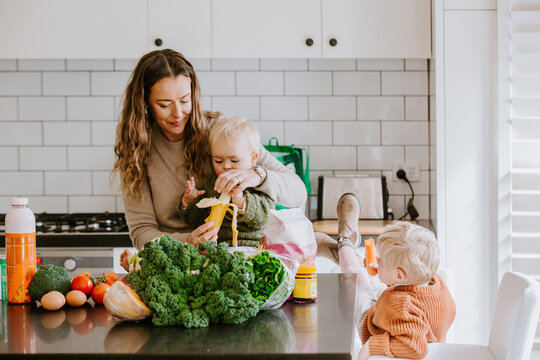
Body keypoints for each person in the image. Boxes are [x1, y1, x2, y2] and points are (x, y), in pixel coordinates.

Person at [112, 49, 306, 255]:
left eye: (185, 101)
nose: (178, 113)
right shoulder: (137, 150)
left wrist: (257, 175)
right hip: (174, 261)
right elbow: (142, 232)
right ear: (145, 102)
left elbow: (298, 193)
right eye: (164, 104)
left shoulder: (220, 133)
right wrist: (187, 241)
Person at [334, 195, 456, 360]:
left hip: (374, 323)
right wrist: (385, 270)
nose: (376, 260)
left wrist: (372, 346)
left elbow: (416, 348)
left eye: (381, 259)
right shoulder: (437, 284)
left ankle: (344, 240)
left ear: (399, 274)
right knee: (373, 282)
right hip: (394, 310)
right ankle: (346, 252)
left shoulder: (400, 304)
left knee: (357, 277)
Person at [178, 116, 274, 247]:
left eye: (234, 161)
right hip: (217, 247)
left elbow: (265, 218)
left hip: (251, 246)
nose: (226, 166)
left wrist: (241, 201)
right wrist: (189, 202)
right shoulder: (209, 185)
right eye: (218, 161)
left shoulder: (258, 185)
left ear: (253, 158)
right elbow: (195, 221)